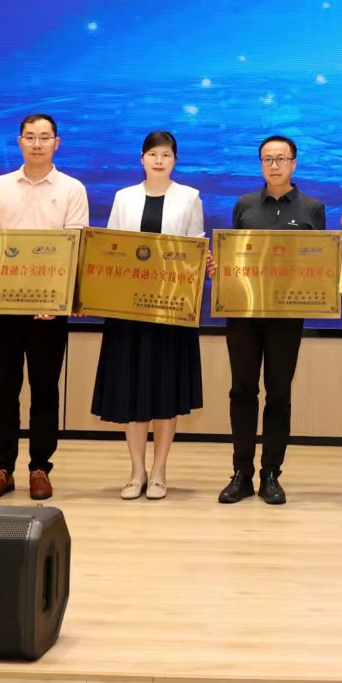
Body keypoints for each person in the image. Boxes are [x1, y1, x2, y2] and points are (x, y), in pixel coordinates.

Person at [0, 113, 89, 502]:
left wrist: (57, 299)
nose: (37, 144)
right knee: (3, 390)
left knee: (45, 391)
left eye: (44, 137)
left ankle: (40, 467)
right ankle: (1, 468)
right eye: (30, 137)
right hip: (4, 306)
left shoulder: (72, 188)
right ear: (19, 141)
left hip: (49, 311)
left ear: (57, 142)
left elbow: (73, 248)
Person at [213, 135, 326, 506]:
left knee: (278, 394)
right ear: (260, 164)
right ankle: (241, 473)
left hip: (286, 316)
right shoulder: (244, 205)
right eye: (267, 159)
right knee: (242, 391)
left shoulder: (312, 208)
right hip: (243, 314)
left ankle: (271, 473)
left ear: (294, 163)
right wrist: (219, 267)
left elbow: (319, 261)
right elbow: (233, 256)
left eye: (281, 158)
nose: (274, 165)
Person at [91, 131, 205, 500]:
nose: (159, 160)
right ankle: (136, 471)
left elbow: (194, 250)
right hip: (128, 311)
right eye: (153, 154)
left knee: (165, 393)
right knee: (133, 392)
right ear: (141, 158)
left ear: (175, 160)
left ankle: (159, 472)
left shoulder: (190, 197)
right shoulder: (123, 197)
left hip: (170, 312)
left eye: (166, 155)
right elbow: (109, 249)